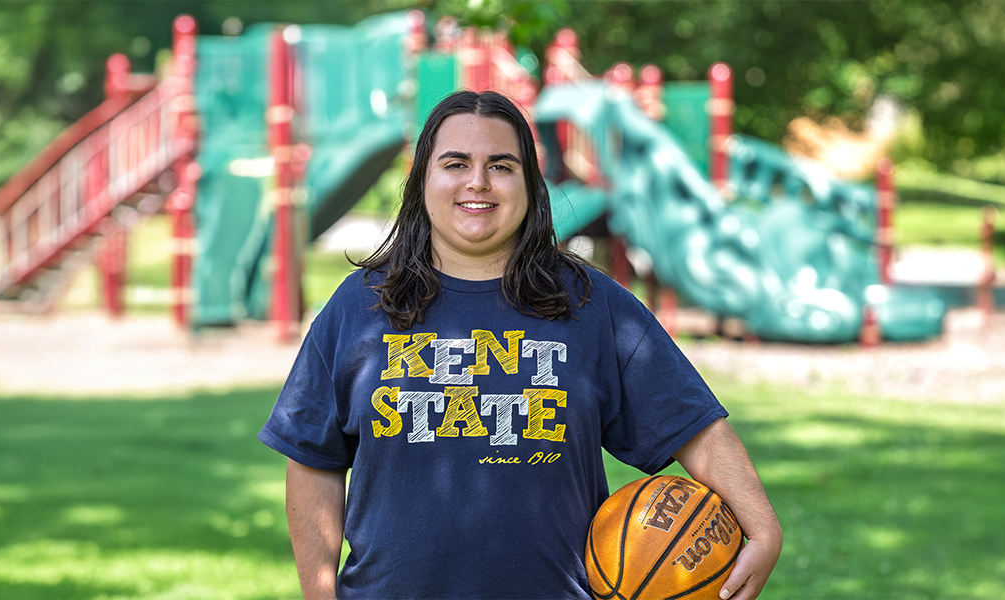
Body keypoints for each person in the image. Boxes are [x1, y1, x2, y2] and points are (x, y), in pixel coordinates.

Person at [258, 90, 781, 600]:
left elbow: (694, 426)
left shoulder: (592, 304)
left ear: (530, 184)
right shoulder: (359, 306)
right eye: (455, 164)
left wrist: (762, 529)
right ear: (422, 180)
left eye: (502, 166)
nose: (478, 183)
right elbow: (311, 457)